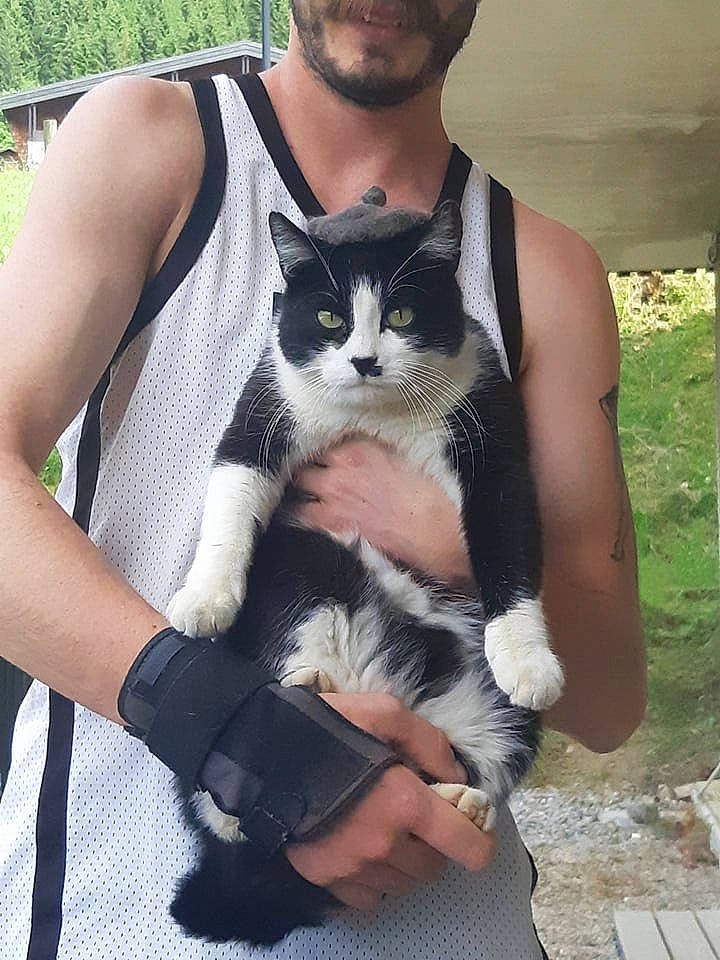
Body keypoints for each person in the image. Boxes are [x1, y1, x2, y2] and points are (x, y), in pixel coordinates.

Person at [0, 1, 645, 957]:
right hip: (119, 913)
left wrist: (454, 540)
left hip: (450, 924)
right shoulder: (152, 145)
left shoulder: (543, 267)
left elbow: (608, 700)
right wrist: (240, 735)